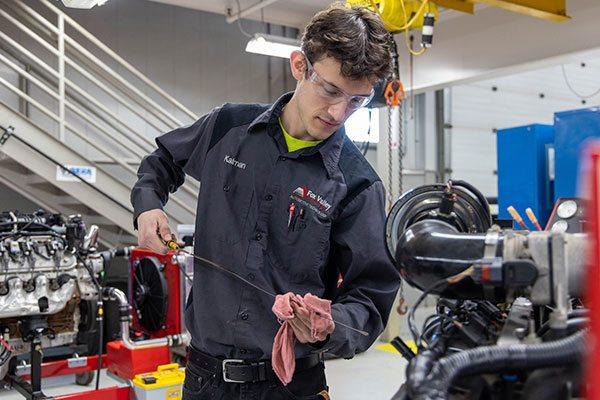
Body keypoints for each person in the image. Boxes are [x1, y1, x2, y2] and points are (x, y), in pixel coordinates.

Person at [131, 3, 400, 399]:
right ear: (299, 66)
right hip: (205, 379)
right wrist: (148, 205)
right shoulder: (227, 128)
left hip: (293, 385)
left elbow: (371, 299)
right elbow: (163, 160)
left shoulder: (358, 184)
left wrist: (331, 324)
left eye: (357, 101)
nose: (339, 112)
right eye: (330, 90)